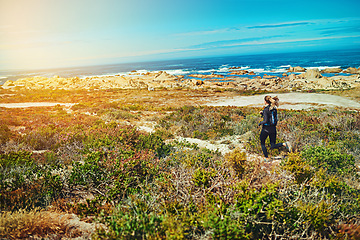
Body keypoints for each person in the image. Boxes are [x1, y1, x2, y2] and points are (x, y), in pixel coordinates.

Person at [258, 95, 291, 161]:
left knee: (262, 143)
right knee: (272, 145)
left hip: (266, 129)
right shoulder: (274, 109)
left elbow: (266, 121)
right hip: (273, 129)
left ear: (265, 101)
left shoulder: (266, 109)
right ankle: (284, 144)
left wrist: (260, 123)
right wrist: (263, 114)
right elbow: (270, 117)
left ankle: (266, 158)